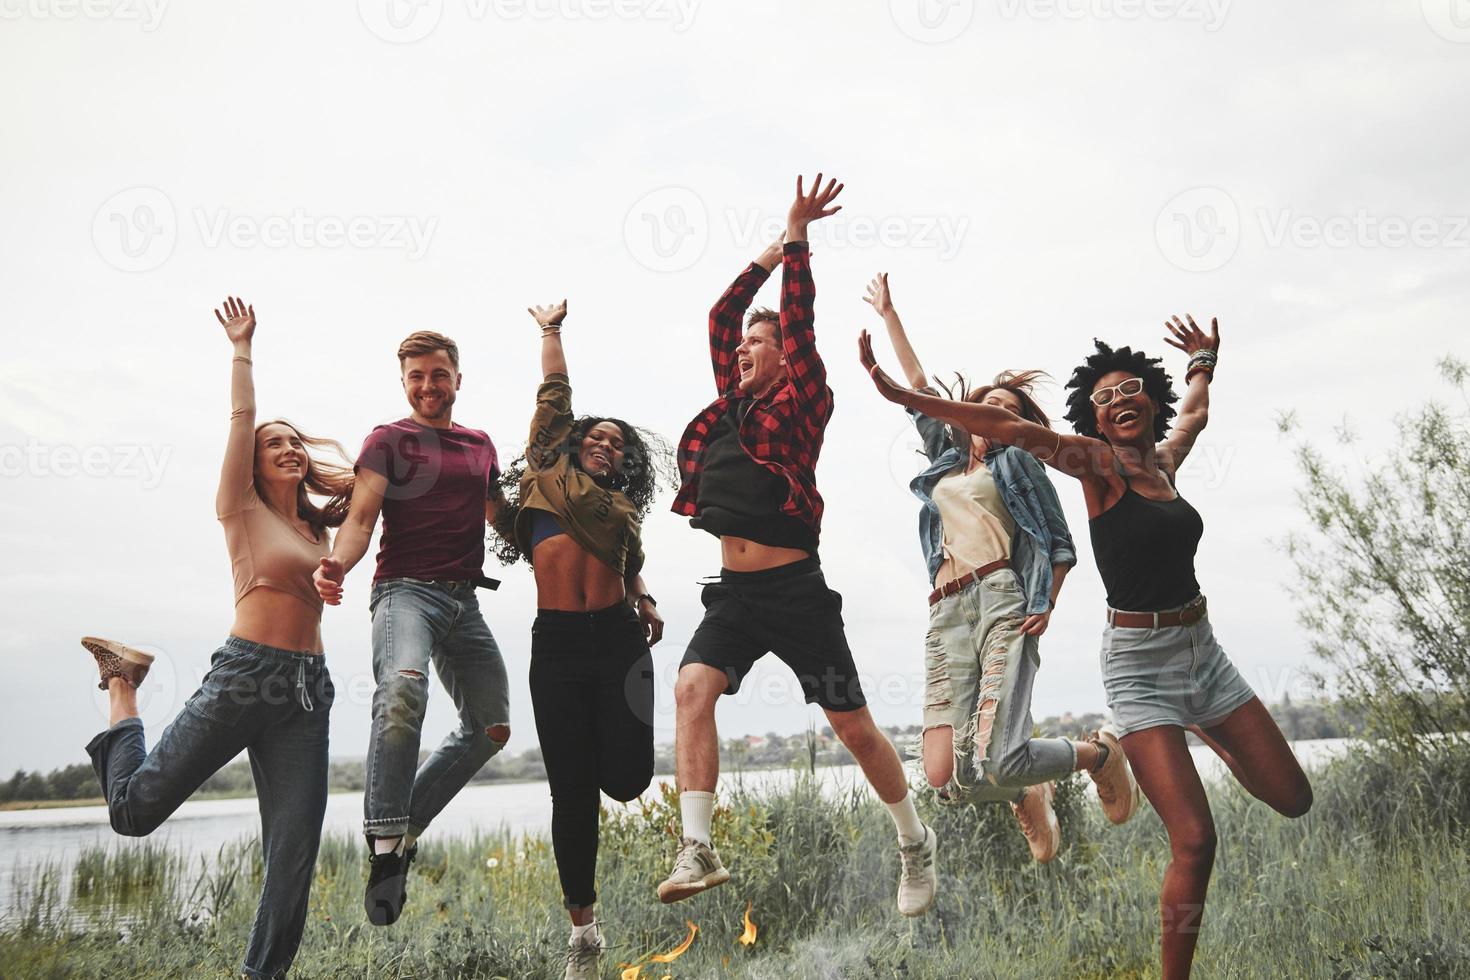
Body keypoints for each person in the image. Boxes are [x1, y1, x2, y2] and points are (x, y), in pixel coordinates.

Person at [859, 315, 1313, 979]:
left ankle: (1202, 728)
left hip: (1205, 654)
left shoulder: (1167, 462)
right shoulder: (1097, 467)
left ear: (1147, 400)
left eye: (1129, 389)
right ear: (1093, 422)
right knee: (1195, 840)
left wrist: (1203, 361)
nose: (1118, 401)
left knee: (1293, 798)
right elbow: (1016, 432)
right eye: (1101, 399)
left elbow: (1197, 413)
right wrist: (904, 396)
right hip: (1140, 668)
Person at [660, 175, 939, 918]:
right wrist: (764, 249)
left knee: (851, 727)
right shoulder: (730, 404)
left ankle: (913, 839)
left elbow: (800, 318)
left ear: (787, 360)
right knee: (691, 688)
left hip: (797, 594)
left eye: (761, 343)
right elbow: (722, 313)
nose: (747, 350)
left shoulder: (804, 397)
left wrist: (796, 235)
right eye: (745, 346)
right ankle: (697, 847)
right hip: (735, 596)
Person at [82, 296, 349, 980]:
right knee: (133, 813)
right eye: (272, 443)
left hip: (306, 694)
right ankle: (122, 682)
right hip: (245, 676)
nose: (287, 448)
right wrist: (242, 349)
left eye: (294, 440)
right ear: (254, 465)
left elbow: (373, 492)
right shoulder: (238, 507)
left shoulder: (317, 531)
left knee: (293, 856)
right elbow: (239, 420)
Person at [861, 273, 1140, 862]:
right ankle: (1031, 787)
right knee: (943, 778)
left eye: (1004, 410)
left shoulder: (1016, 463)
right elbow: (917, 384)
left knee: (995, 757)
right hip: (945, 613)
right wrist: (889, 314)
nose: (991, 413)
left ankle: (1100, 756)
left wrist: (1047, 600)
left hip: (1000, 598)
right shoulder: (944, 462)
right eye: (984, 405)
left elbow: (1059, 540)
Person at [487, 299, 675, 979]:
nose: (606, 442)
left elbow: (627, 564)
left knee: (627, 781)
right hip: (559, 645)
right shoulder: (545, 470)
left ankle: (595, 758)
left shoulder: (622, 510)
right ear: (569, 441)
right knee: (572, 794)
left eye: (617, 442)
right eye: (596, 435)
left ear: (625, 463)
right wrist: (550, 331)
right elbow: (555, 392)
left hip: (620, 642)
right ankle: (585, 934)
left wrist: (644, 597)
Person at [313, 329, 511, 927]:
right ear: (404, 383)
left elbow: (507, 523)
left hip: (465, 604)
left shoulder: (480, 446)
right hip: (406, 594)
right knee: (402, 689)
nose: (428, 386)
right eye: (416, 377)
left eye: (438, 374)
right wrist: (337, 564)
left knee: (492, 728)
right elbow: (362, 517)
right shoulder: (388, 441)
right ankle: (383, 844)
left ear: (457, 378)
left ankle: (403, 830)